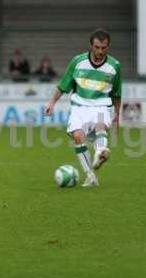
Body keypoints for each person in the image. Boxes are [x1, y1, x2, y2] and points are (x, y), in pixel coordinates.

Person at [45, 29, 122, 187]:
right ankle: (91, 176)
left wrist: (117, 115)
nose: (100, 51)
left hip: (102, 104)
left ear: (108, 47)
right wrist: (52, 103)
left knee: (100, 126)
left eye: (104, 48)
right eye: (97, 47)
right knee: (79, 137)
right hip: (79, 106)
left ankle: (101, 151)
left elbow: (117, 93)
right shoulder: (77, 62)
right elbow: (63, 85)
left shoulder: (114, 66)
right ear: (91, 46)